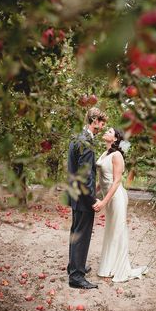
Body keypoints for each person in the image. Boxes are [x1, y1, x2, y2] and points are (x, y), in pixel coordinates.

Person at [93, 127, 148, 282]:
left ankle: (119, 269)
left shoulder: (117, 155)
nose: (106, 132)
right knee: (110, 230)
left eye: (109, 131)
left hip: (116, 198)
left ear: (116, 139)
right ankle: (108, 267)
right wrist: (94, 193)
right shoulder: (105, 153)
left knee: (117, 231)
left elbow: (116, 181)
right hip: (108, 196)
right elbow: (103, 179)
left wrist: (103, 201)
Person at [67, 107, 107, 289]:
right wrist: (93, 200)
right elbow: (85, 177)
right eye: (101, 122)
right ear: (94, 120)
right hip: (83, 199)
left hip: (75, 195)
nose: (103, 126)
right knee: (82, 236)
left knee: (76, 233)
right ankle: (76, 277)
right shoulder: (87, 143)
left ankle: (75, 266)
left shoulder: (78, 137)